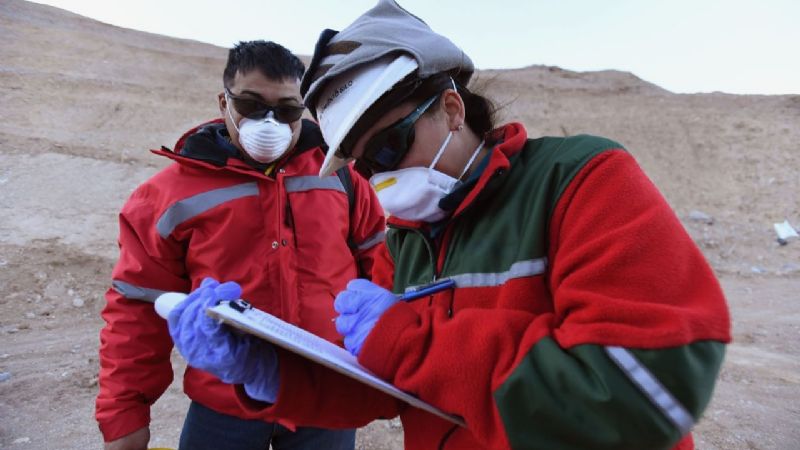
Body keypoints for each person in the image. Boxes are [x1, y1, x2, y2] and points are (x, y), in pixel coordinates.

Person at [168, 2, 732, 449]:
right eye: (363, 166)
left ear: (452, 109)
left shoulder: (581, 180)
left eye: (388, 148)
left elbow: (644, 391)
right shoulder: (405, 242)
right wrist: (266, 370)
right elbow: (386, 383)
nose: (380, 180)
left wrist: (411, 342)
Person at [95, 40, 391, 450]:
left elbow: (383, 270)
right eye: (251, 105)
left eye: (287, 110)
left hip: (326, 395)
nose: (270, 122)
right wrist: (124, 414)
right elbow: (137, 307)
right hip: (224, 404)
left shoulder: (341, 177)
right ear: (224, 102)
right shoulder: (167, 197)